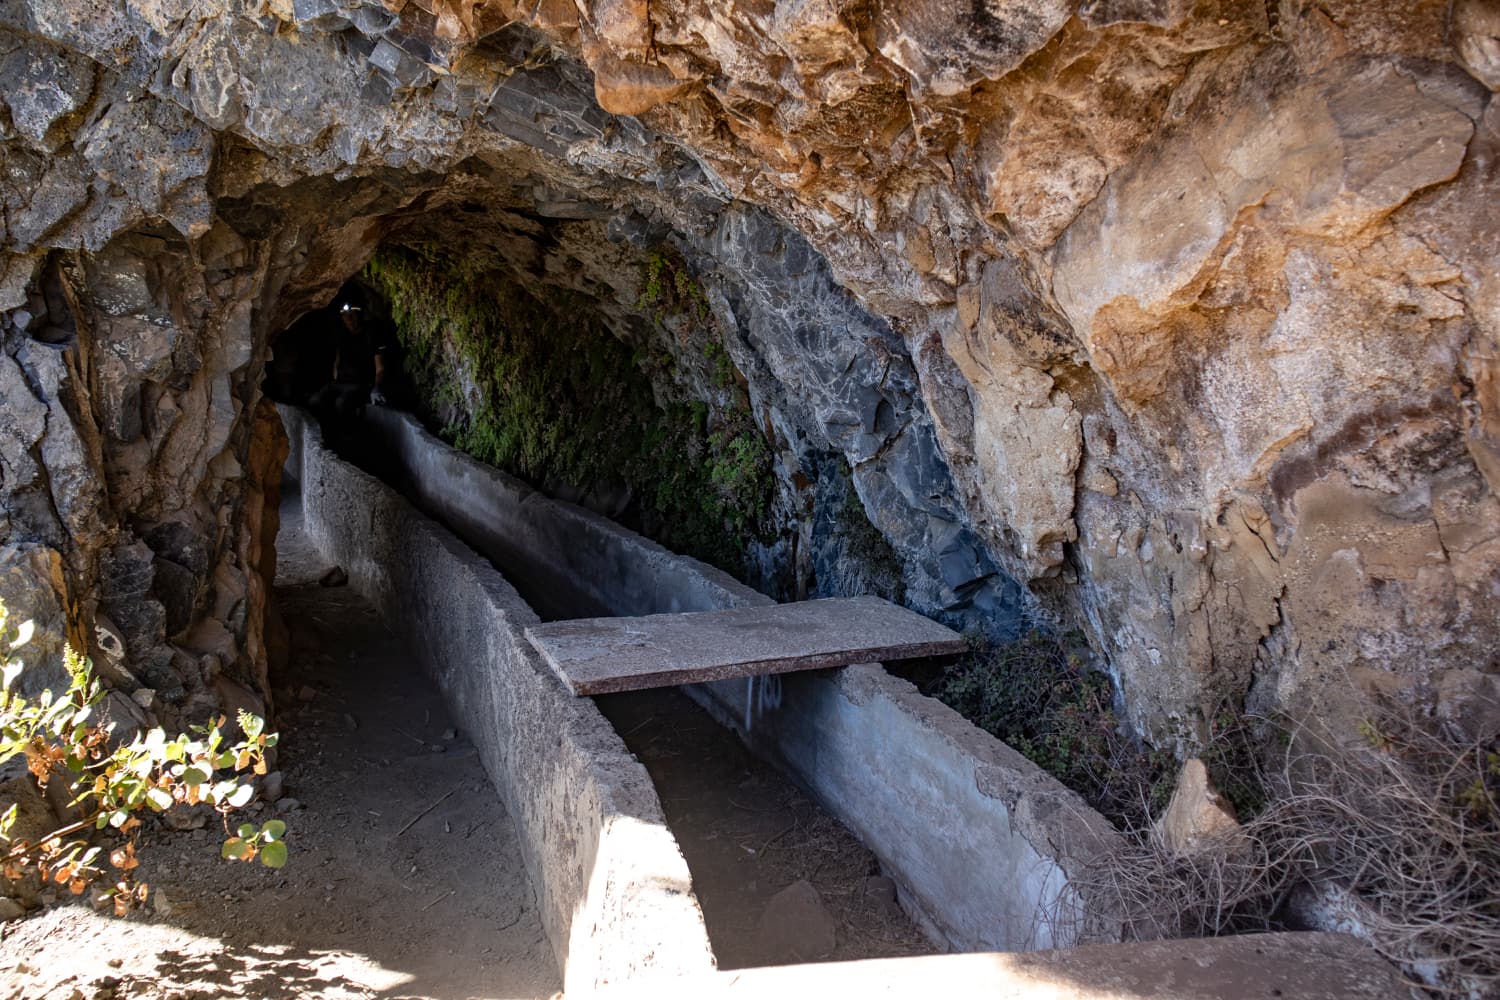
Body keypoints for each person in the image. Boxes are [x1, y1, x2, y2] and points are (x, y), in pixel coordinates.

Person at [311, 303, 388, 423]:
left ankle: (346, 431)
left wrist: (376, 388)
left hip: (361, 384)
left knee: (341, 403)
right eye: (345, 315)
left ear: (360, 314)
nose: (349, 319)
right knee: (315, 400)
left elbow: (380, 368)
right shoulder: (342, 335)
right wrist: (334, 380)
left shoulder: (372, 335)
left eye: (352, 314)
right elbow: (336, 361)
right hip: (340, 383)